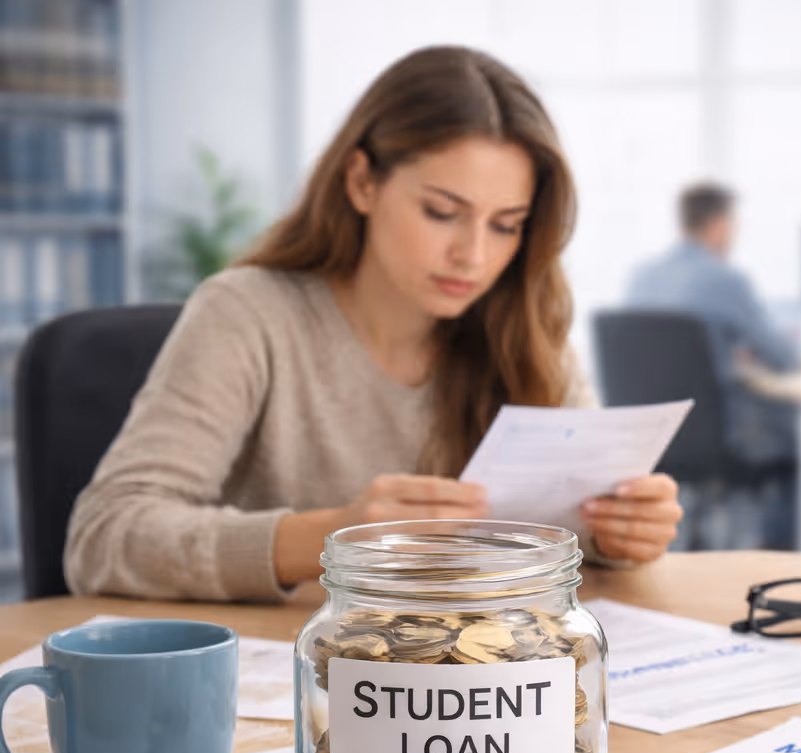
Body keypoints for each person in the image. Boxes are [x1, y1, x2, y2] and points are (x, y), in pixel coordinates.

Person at [65, 47, 683, 602]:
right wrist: (327, 539)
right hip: (300, 687)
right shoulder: (248, 314)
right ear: (362, 182)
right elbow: (104, 536)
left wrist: (615, 532)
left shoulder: (524, 323)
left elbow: (561, 534)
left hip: (474, 684)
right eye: (443, 212)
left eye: (506, 225)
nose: (473, 255)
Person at [624, 183, 798, 546]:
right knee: (794, 443)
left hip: (652, 438)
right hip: (717, 439)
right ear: (719, 225)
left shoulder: (641, 276)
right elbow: (782, 357)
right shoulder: (725, 280)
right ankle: (781, 556)